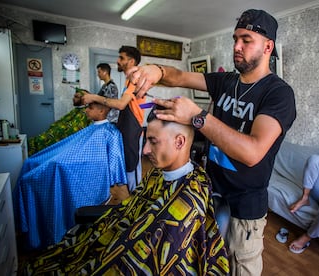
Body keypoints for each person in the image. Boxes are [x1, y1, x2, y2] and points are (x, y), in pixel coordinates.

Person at [125, 9, 296, 275]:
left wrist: (197, 116)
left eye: (246, 39)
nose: (236, 46)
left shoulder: (279, 94)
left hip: (246, 205)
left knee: (240, 267)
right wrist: (156, 70)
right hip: (210, 191)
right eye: (235, 38)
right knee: (206, 262)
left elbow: (252, 152)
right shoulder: (226, 81)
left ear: (268, 46)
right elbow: (179, 77)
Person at [21, 105, 230, 275]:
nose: (145, 150)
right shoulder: (159, 173)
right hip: (116, 240)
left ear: (180, 142)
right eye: (146, 139)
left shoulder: (188, 199)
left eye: (152, 142)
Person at [14, 102, 127, 249]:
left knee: (32, 178)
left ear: (101, 110)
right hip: (65, 162)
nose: (86, 110)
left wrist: (62, 164)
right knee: (30, 162)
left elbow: (113, 165)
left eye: (90, 108)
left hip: (72, 169)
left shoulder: (110, 133)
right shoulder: (92, 128)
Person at [83, 46, 145, 192]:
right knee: (128, 166)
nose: (117, 61)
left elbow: (121, 104)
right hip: (126, 126)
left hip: (134, 129)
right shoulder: (128, 80)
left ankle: (137, 202)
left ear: (131, 61)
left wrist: (94, 97)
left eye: (121, 58)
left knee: (133, 168)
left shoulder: (136, 79)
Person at [27, 63, 119, 156]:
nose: (98, 74)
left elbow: (106, 104)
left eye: (99, 72)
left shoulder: (111, 87)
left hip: (105, 121)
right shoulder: (104, 86)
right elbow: (99, 101)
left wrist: (92, 99)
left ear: (105, 72)